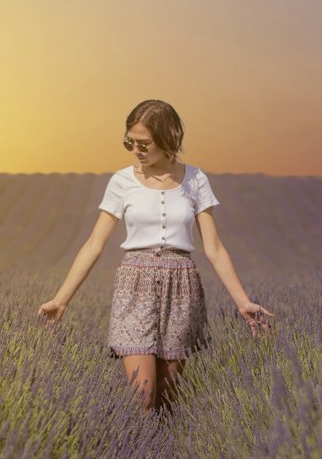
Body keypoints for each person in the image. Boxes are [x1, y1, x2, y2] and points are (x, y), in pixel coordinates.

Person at [37, 99, 273, 412]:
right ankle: (133, 452)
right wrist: (61, 299)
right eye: (129, 143)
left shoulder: (196, 180)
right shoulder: (121, 182)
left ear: (168, 139)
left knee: (168, 397)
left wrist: (243, 303)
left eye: (144, 144)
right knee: (142, 396)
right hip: (134, 287)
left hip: (181, 287)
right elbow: (94, 243)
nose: (136, 150)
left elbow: (213, 248)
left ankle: (165, 456)